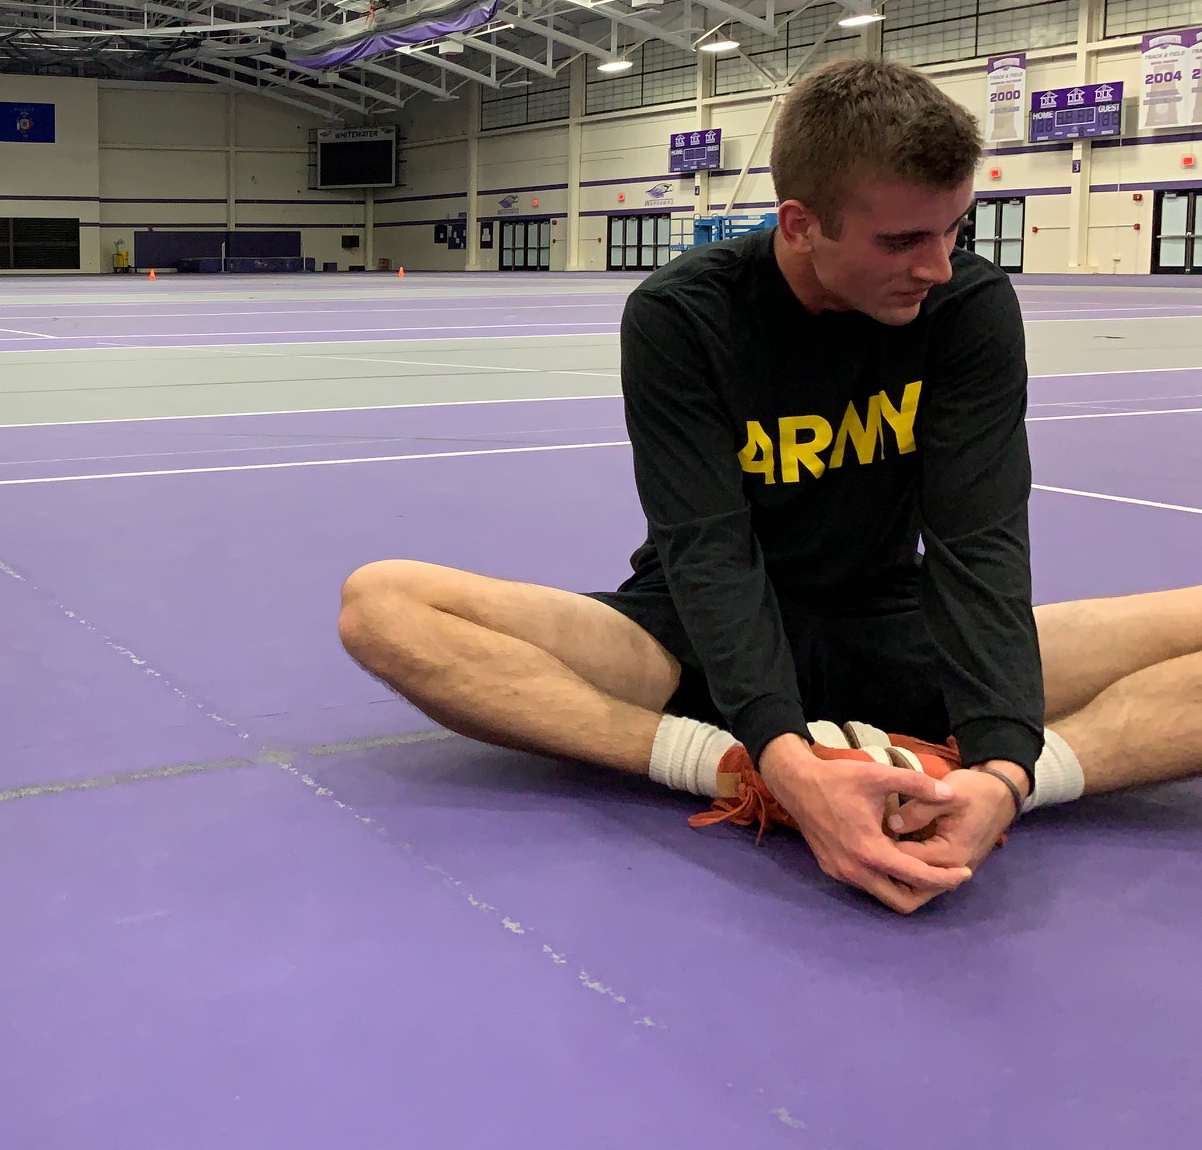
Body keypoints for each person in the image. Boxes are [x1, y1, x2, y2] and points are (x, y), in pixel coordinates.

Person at [340, 57, 1202, 915]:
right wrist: (782, 761)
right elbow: (707, 545)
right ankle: (727, 769)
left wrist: (1006, 770)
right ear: (800, 224)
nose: (937, 266)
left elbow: (978, 543)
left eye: (954, 232)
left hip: (897, 630)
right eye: (902, 241)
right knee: (382, 605)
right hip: (690, 640)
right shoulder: (684, 317)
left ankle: (1011, 782)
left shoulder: (966, 309)